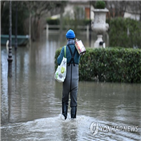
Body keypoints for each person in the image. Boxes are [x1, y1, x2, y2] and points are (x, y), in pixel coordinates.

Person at [57, 29, 80, 119]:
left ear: (67, 38)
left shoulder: (64, 49)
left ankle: (64, 118)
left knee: (65, 100)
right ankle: (73, 119)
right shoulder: (78, 48)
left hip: (66, 79)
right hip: (75, 80)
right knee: (74, 101)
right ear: (74, 38)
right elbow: (83, 52)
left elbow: (59, 61)